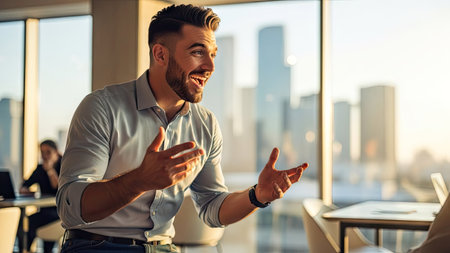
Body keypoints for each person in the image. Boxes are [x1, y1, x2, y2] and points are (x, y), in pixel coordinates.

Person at [57, 4, 309, 253]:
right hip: (96, 246)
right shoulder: (102, 107)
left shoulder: (206, 124)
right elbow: (70, 209)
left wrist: (258, 195)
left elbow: (212, 208)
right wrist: (139, 181)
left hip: (164, 247)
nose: (210, 66)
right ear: (160, 55)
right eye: (198, 52)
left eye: (213, 54)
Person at [20, 139, 61, 253]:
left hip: (60, 213)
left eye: (48, 152)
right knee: (26, 221)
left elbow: (58, 187)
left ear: (56, 152)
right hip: (44, 211)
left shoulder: (63, 165)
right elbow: (24, 186)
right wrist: (28, 192)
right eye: (42, 152)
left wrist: (50, 171)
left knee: (30, 221)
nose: (45, 156)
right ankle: (25, 249)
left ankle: (25, 249)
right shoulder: (39, 168)